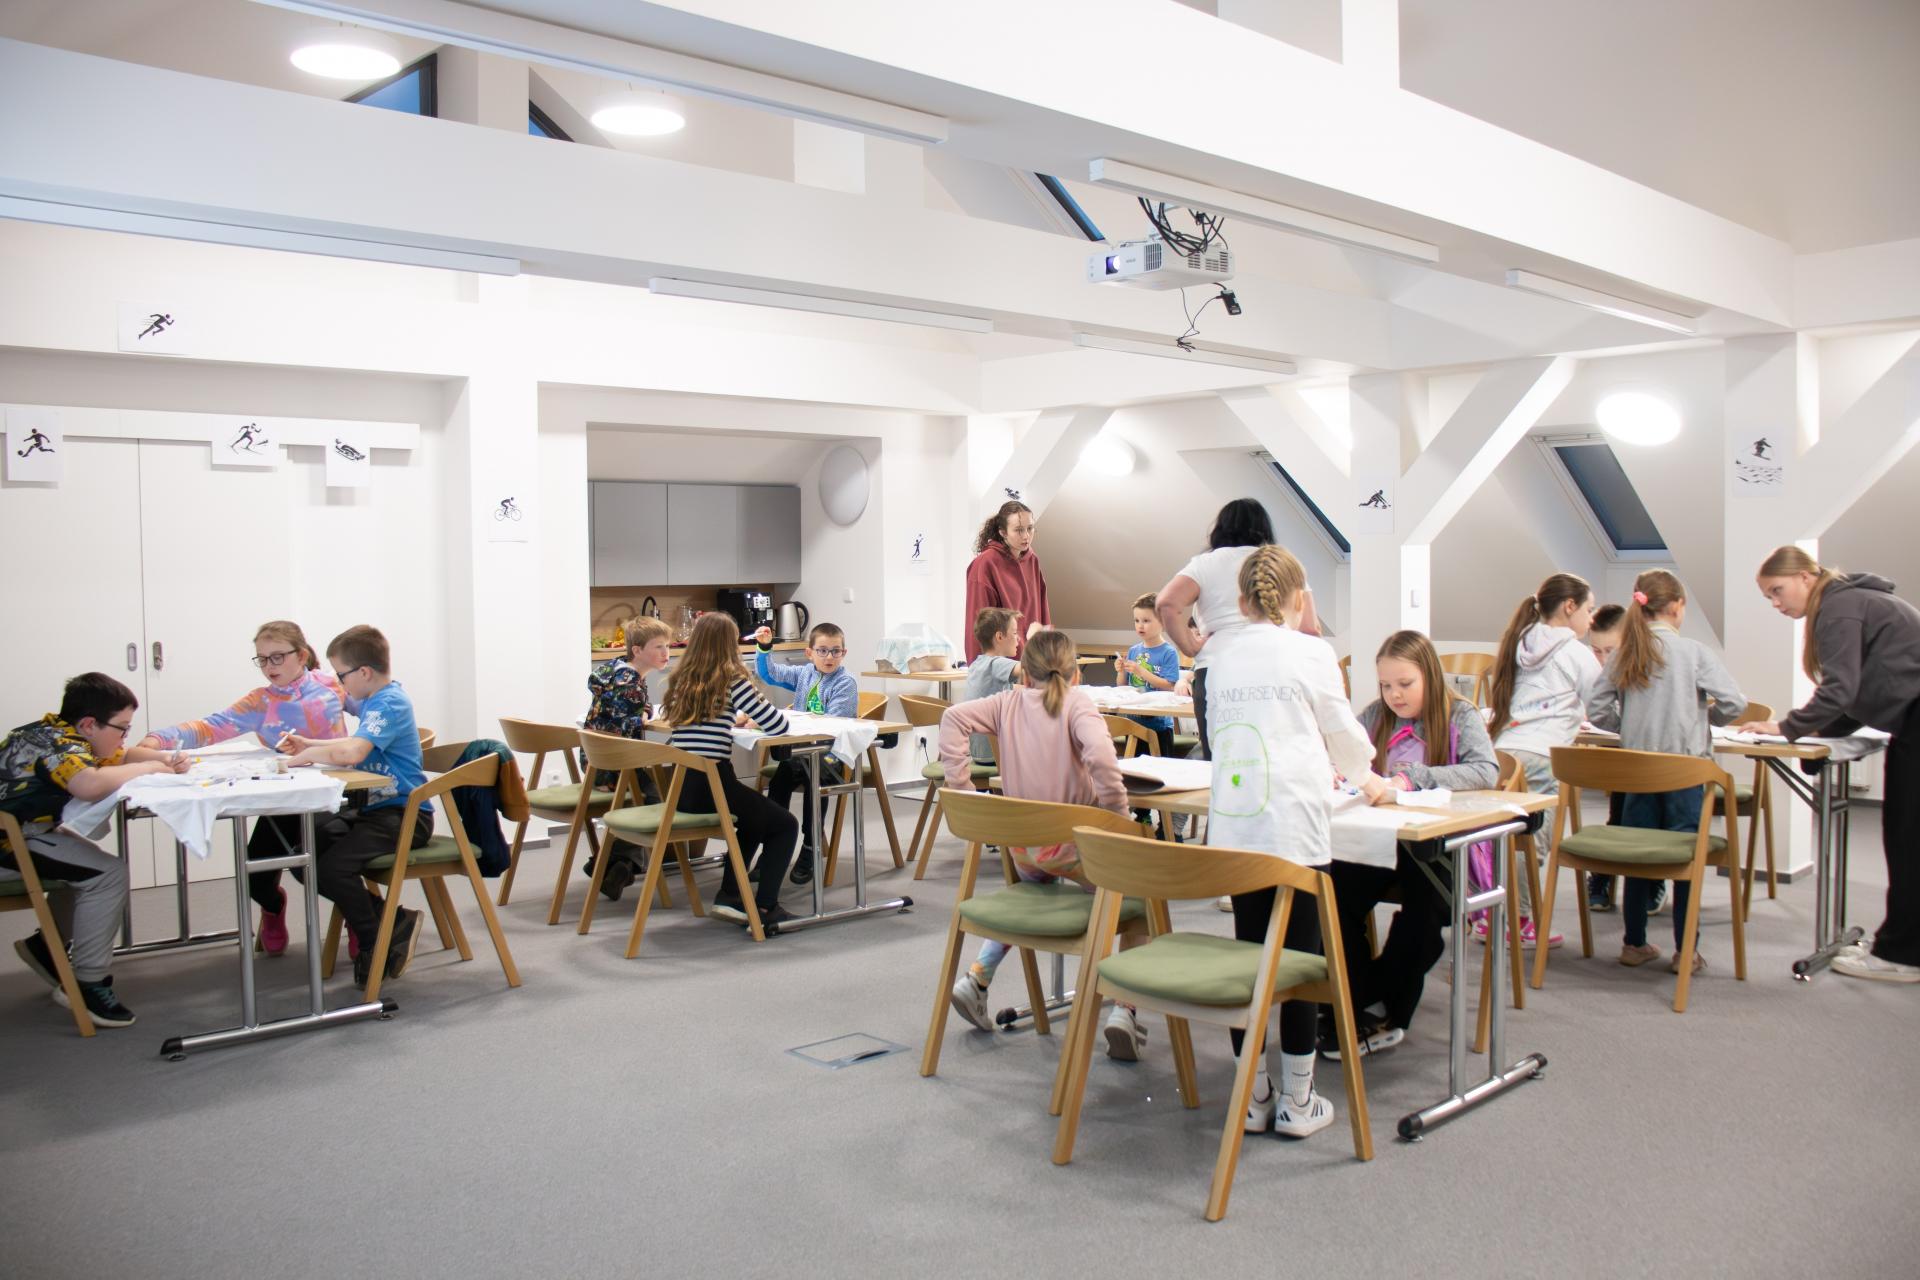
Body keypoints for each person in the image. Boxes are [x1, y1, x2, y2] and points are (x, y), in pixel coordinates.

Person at [1203, 546, 1389, 1138]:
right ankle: (1299, 1100)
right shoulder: (1313, 653)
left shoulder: (1219, 656)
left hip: (1236, 823)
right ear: (1300, 599)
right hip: (1292, 826)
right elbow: (1343, 737)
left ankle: (1254, 1094)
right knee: (1301, 961)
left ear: (1240, 602)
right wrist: (1370, 781)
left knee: (1247, 960)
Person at [937, 630, 1147, 1059]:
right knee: (1140, 899)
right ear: (1074, 672)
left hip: (1025, 849)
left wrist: (962, 790)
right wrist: (1119, 820)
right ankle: (1124, 1008)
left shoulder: (1006, 703)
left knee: (1034, 890)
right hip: (1073, 847)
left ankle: (978, 977)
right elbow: (1102, 759)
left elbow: (952, 718)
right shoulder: (1077, 704)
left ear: (1024, 672)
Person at [1739, 548, 1920, 984]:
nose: (1776, 603)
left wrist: (1787, 728)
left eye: (1777, 591)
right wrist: (1815, 731)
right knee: (1909, 838)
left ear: (1806, 577)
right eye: (1768, 597)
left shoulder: (1839, 607)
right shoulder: (1853, 599)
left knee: (1907, 841)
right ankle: (1903, 947)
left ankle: (1900, 956)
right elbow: (1860, 690)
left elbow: (1840, 688)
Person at [1325, 630, 1501, 1059]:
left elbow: (1486, 771)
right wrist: (1337, 770)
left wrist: (1411, 779)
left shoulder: (1460, 715)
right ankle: (1353, 998)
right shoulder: (1376, 715)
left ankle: (1381, 1004)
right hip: (1383, 840)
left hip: (1442, 847)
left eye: (1405, 684)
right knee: (1332, 895)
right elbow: (1342, 752)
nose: (1395, 695)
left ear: (1430, 676)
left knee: (1424, 918)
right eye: (1386, 685)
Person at [138, 620, 346, 956]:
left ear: (301, 655)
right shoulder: (260, 703)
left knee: (319, 867)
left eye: (277, 657)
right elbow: (209, 727)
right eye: (262, 659)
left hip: (335, 796)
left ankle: (360, 920)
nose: (269, 666)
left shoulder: (332, 686)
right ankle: (273, 907)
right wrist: (157, 739)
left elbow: (373, 707)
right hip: (287, 798)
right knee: (255, 876)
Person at [2, 673, 189, 1027]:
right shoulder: (58, 747)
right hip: (10, 842)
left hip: (20, 834)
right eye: (122, 728)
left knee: (80, 861)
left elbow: (122, 755)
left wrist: (166, 758)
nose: (124, 737)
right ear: (89, 724)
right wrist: (148, 767)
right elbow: (88, 785)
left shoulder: (55, 733)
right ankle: (87, 982)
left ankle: (46, 948)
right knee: (108, 874)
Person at [1587, 572, 1746, 973]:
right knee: (1685, 862)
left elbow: (1598, 709)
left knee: (1638, 858)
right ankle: (1686, 952)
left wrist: (1627, 726)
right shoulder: (1695, 653)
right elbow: (1734, 704)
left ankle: (1634, 944)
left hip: (1637, 776)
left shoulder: (1625, 653)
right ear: (1677, 606)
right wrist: (1705, 718)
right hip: (1685, 777)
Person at [279, 626, 434, 989]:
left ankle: (372, 941)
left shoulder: (389, 703)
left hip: (405, 815)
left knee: (331, 868)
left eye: (341, 675)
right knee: (305, 853)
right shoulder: (374, 701)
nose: (339, 683)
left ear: (363, 672)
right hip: (375, 811)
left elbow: (352, 752)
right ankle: (392, 921)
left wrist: (308, 754)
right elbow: (355, 742)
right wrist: (310, 743)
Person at [1486, 574, 1602, 943]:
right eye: (1589, 609)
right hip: (1541, 756)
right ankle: (1520, 922)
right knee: (1531, 843)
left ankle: (1488, 915)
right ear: (1569, 607)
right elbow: (1602, 705)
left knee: (1497, 837)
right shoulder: (1576, 653)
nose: (1591, 618)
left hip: (1504, 751)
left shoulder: (1519, 641)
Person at [663, 613, 798, 929]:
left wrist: (730, 718)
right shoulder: (732, 680)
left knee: (754, 819)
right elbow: (777, 725)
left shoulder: (683, 679)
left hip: (682, 786)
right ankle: (766, 907)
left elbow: (702, 722)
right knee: (785, 825)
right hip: (713, 783)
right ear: (729, 645)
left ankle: (731, 895)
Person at [1155, 500, 1319, 760]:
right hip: (1275, 667)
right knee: (1274, 760)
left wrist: (1190, 646)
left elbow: (1166, 603)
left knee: (1221, 761)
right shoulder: (1284, 565)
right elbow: (1310, 629)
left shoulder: (1204, 564)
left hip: (1216, 668)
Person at [755, 621, 857, 885]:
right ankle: (772, 847)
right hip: (801, 753)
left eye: (835, 651)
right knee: (780, 779)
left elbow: (832, 726)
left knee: (815, 777)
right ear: (809, 653)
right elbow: (770, 674)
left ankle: (811, 847)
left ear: (844, 653)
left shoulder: (845, 682)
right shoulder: (805, 674)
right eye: (822, 651)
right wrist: (764, 648)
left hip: (832, 757)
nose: (829, 657)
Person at [581, 615, 674, 901]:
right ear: (637, 650)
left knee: (646, 794)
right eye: (658, 647)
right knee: (653, 800)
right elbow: (624, 732)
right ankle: (619, 864)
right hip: (614, 766)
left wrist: (644, 711)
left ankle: (609, 864)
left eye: (667, 646)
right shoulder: (630, 683)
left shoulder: (617, 671)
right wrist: (642, 718)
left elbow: (626, 711)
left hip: (595, 761)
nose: (666, 653)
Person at [963, 500, 1048, 662]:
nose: (1026, 536)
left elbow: (1042, 612)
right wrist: (979, 667)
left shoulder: (1033, 560)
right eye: (1018, 530)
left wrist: (1048, 654)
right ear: (1002, 532)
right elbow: (978, 623)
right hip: (1001, 666)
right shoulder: (985, 564)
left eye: (1030, 528)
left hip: (1033, 662)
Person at [1120, 592, 1183, 758]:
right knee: (1133, 769)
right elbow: (1122, 686)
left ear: (1162, 622)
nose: (1140, 626)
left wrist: (1142, 671)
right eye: (1136, 620)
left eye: (1146, 621)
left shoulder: (1168, 652)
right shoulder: (1134, 651)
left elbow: (1170, 686)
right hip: (1133, 723)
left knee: (1159, 769)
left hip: (1159, 726)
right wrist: (1120, 671)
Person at [962, 607, 1021, 766]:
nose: (1019, 639)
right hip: (995, 755)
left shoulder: (978, 664)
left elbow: (1008, 689)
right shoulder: (997, 663)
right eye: (1015, 633)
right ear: (1000, 637)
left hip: (977, 752)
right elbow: (1030, 667)